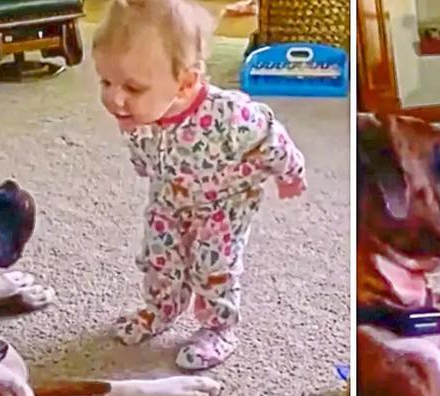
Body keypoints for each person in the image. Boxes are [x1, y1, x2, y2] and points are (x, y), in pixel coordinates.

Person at [92, 0, 307, 370]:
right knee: (159, 257)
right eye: (106, 81)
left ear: (186, 82)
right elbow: (146, 157)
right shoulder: (138, 114)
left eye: (132, 86)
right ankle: (162, 306)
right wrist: (142, 153)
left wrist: (291, 173)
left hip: (222, 207)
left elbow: (271, 137)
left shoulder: (229, 114)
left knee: (213, 267)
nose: (114, 98)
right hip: (168, 200)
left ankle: (218, 327)